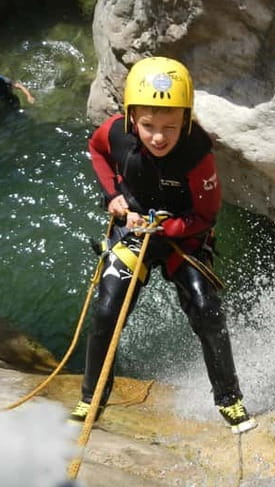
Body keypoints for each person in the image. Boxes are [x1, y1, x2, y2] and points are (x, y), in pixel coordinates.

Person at [71, 56, 256, 434]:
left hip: (182, 236)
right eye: (148, 125)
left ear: (186, 120)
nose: (158, 137)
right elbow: (96, 149)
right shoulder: (117, 133)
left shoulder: (196, 153)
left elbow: (206, 216)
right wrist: (110, 196)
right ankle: (93, 395)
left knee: (207, 311)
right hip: (134, 229)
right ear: (132, 117)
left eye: (170, 127)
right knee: (107, 309)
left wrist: (165, 229)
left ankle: (229, 399)